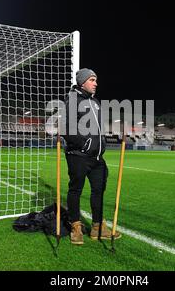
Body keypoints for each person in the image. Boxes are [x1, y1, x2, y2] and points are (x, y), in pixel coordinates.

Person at [62, 68, 122, 245]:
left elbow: (97, 129)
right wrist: (85, 143)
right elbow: (66, 128)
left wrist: (101, 141)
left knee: (99, 191)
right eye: (92, 80)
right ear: (82, 82)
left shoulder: (95, 102)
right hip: (78, 156)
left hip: (96, 158)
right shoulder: (73, 100)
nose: (96, 83)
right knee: (76, 191)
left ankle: (97, 227)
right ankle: (76, 226)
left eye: (96, 80)